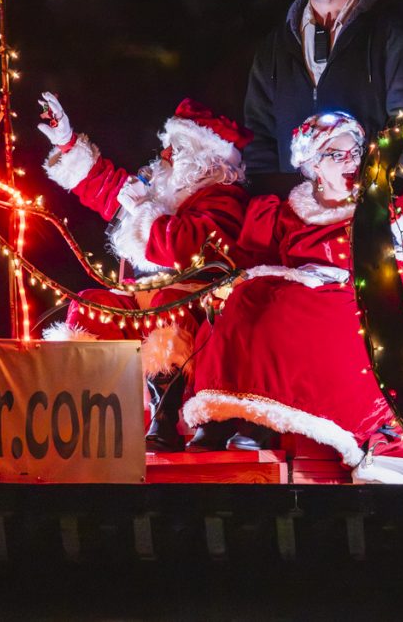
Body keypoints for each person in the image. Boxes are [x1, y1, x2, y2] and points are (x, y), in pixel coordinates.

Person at [183, 111, 403, 483]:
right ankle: (239, 416)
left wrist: (397, 230)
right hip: (295, 295)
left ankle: (291, 420)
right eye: (337, 155)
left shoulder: (389, 208)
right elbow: (253, 264)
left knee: (309, 307)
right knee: (244, 299)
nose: (351, 162)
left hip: (359, 308)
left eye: (356, 152)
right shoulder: (284, 212)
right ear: (314, 164)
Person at [36, 92, 252, 451]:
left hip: (195, 310)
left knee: (169, 304)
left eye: (175, 149)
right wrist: (67, 143)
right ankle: (89, 415)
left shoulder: (224, 200)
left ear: (205, 160)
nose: (164, 155)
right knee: (92, 304)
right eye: (167, 146)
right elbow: (106, 187)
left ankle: (165, 415)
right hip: (141, 304)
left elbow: (186, 246)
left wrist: (144, 210)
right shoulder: (162, 190)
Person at [243, 0, 403, 187]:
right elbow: (259, 133)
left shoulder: (393, 32)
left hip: (368, 204)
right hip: (297, 213)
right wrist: (269, 198)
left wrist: (374, 200)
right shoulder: (276, 46)